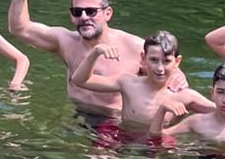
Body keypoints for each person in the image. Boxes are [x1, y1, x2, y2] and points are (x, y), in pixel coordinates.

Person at [7, 0, 184, 109]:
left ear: (108, 13)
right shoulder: (65, 41)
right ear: (71, 15)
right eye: (77, 12)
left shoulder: (136, 47)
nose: (84, 17)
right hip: (78, 115)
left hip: (113, 122)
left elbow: (174, 78)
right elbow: (19, 29)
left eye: (91, 11)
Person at [69, 30, 212, 127]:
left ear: (177, 61)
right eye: (154, 60)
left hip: (159, 144)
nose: (160, 68)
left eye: (166, 61)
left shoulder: (185, 97)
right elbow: (80, 80)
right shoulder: (128, 83)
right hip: (124, 138)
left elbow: (223, 112)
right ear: (143, 58)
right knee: (98, 158)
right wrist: (95, 53)